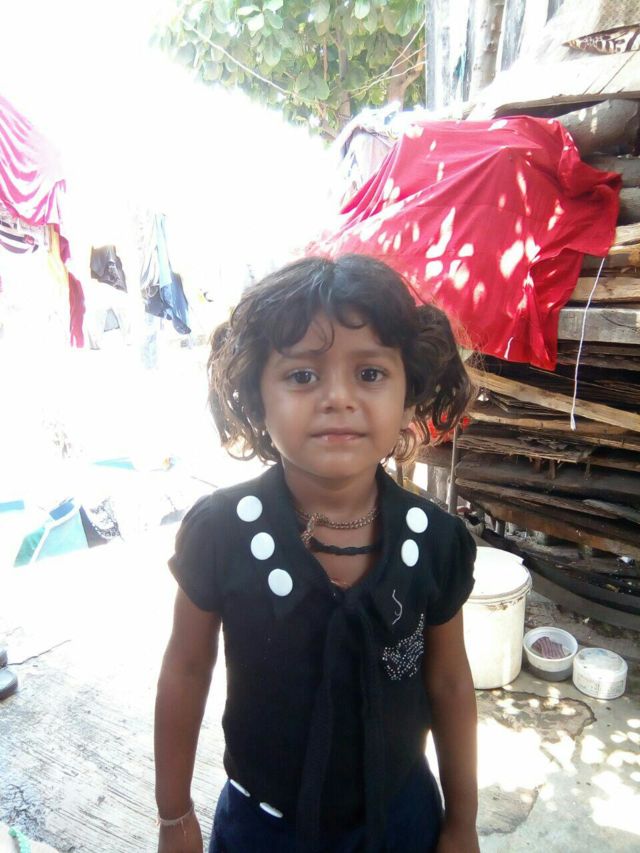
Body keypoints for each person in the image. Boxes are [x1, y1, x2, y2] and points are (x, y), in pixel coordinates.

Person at [155, 254, 479, 853]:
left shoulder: (435, 541)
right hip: (262, 829)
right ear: (256, 397)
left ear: (410, 395)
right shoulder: (220, 533)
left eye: (370, 373)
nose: (338, 398)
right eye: (302, 375)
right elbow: (186, 669)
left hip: (402, 823)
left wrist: (462, 823)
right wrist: (174, 818)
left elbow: (450, 682)